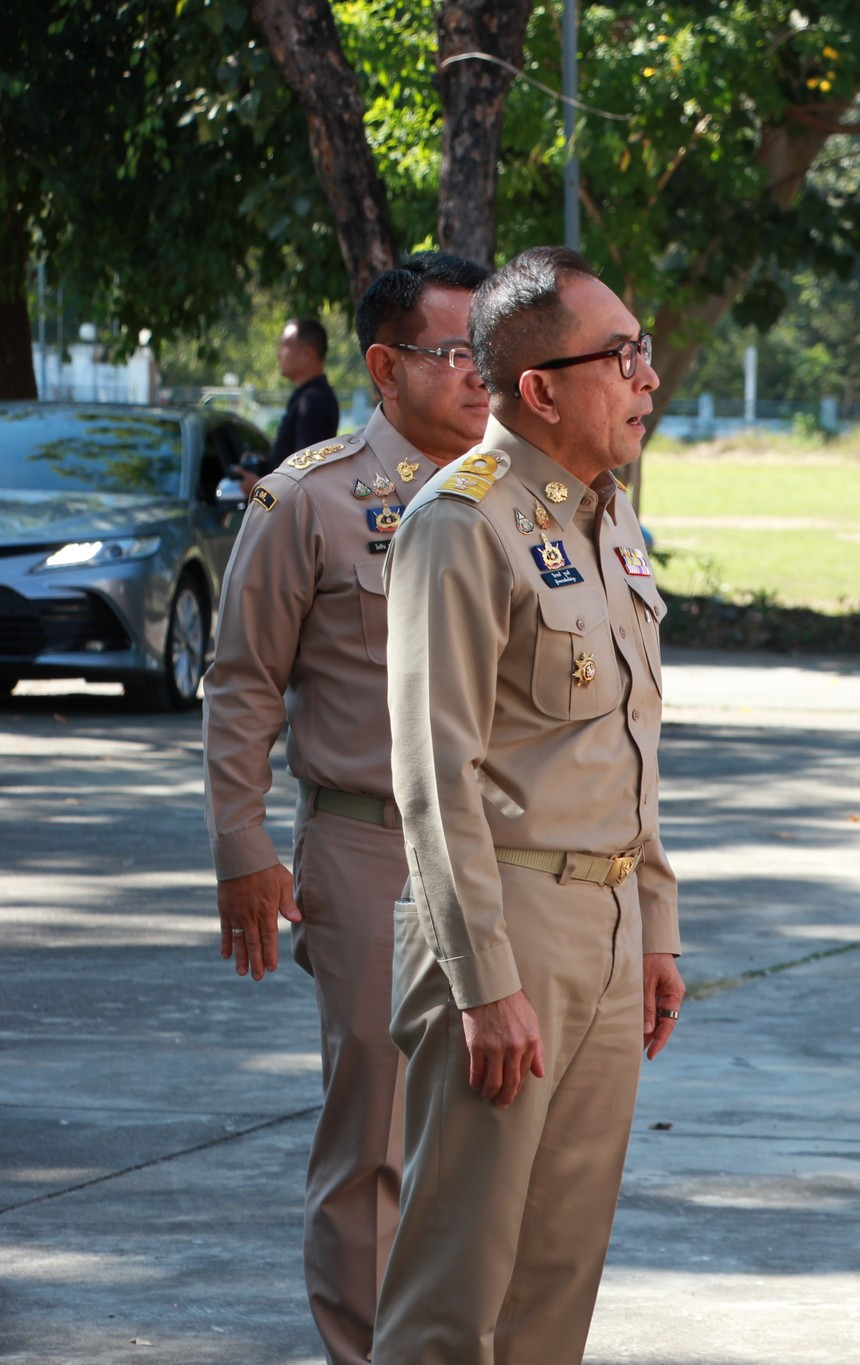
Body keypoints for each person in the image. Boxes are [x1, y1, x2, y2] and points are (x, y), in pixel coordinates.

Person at [373, 246, 686, 1363]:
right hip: (505, 929)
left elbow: (627, 741)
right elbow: (434, 774)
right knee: (455, 1292)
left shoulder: (610, 518)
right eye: (622, 355)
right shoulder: (461, 522)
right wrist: (483, 980)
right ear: (542, 389)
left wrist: (655, 925)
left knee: (557, 1283)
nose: (648, 376)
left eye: (643, 350)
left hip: (605, 928)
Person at [202, 250, 491, 1365]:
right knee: (374, 1136)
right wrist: (242, 847)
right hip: (373, 850)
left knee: (493, 1135)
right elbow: (242, 685)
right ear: (383, 366)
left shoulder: (523, 494)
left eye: (489, 351)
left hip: (508, 856)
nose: (477, 374)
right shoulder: (307, 498)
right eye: (453, 351)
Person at [268, 315, 343, 474]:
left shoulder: (313, 401)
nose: (278, 354)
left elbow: (305, 473)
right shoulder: (308, 396)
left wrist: (257, 484)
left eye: (286, 345)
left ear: (307, 354)